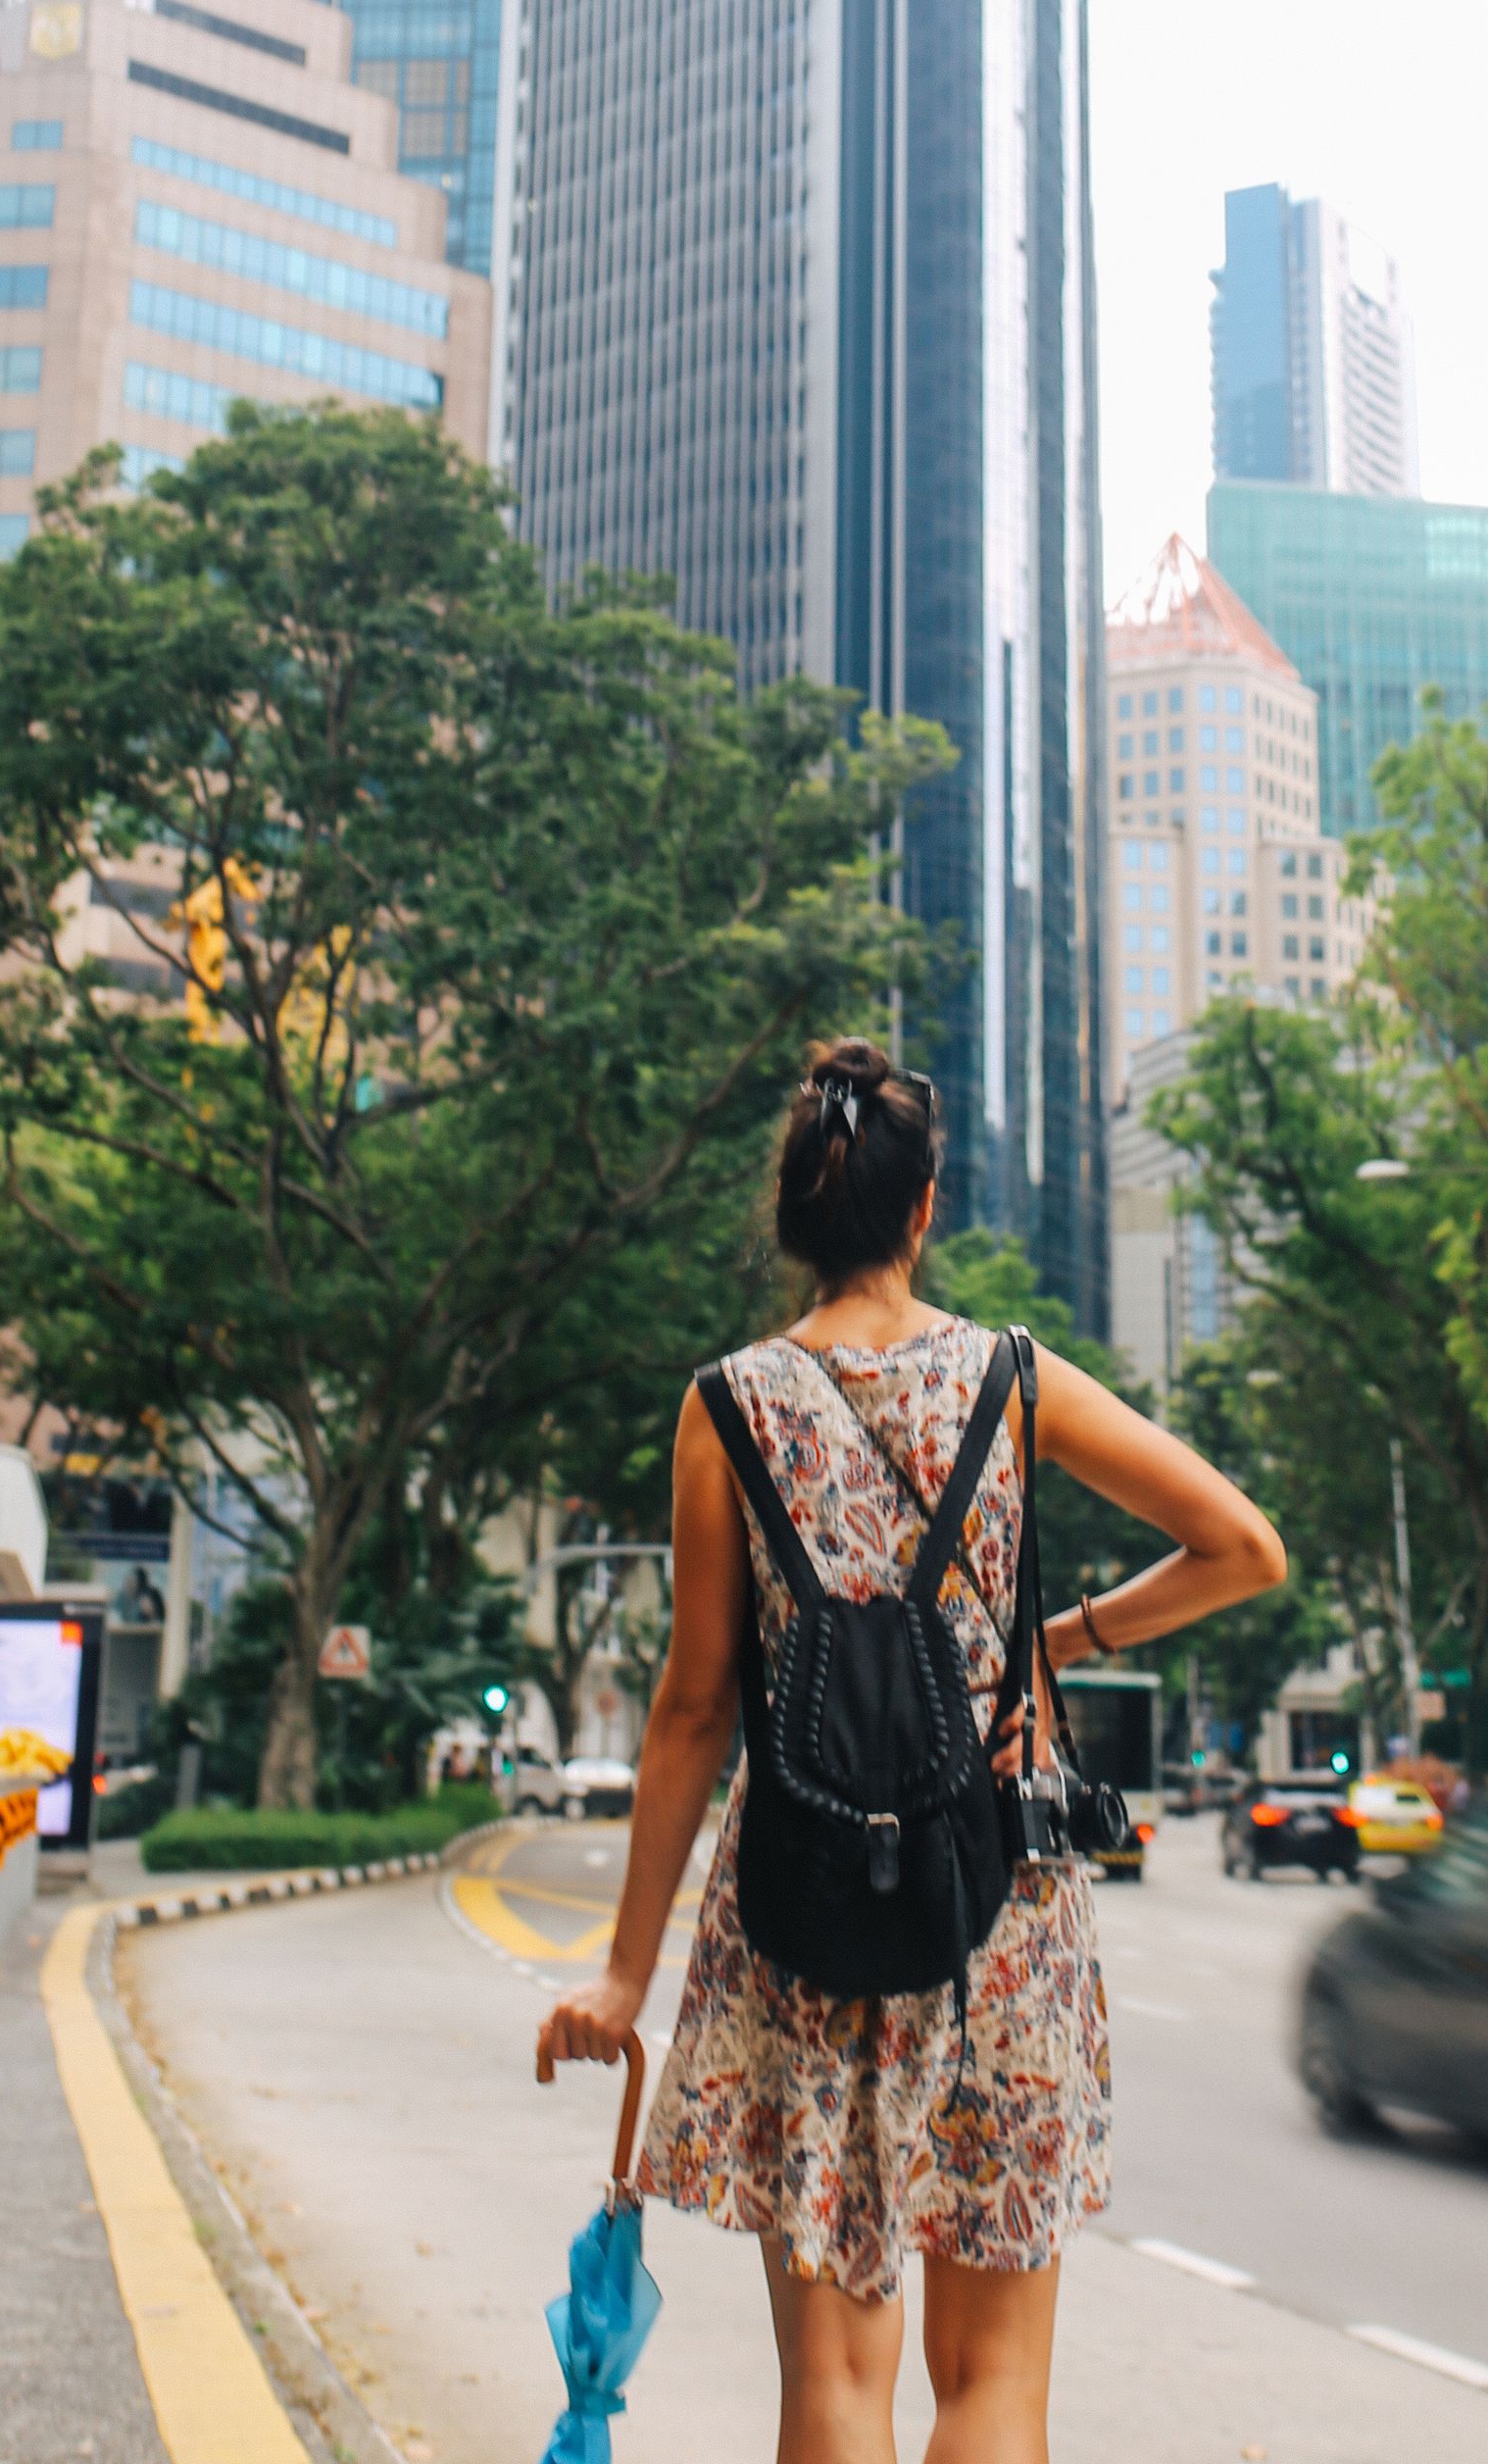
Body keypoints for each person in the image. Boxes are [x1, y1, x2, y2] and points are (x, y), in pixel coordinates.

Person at [538, 1038, 1285, 2464]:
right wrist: (1059, 1639)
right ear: (923, 1209)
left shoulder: (725, 1408)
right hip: (993, 1916)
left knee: (832, 2383)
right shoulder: (1014, 1381)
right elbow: (1242, 1548)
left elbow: (693, 1710)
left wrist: (626, 1973)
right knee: (995, 2387)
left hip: (802, 1914)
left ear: (793, 1221)